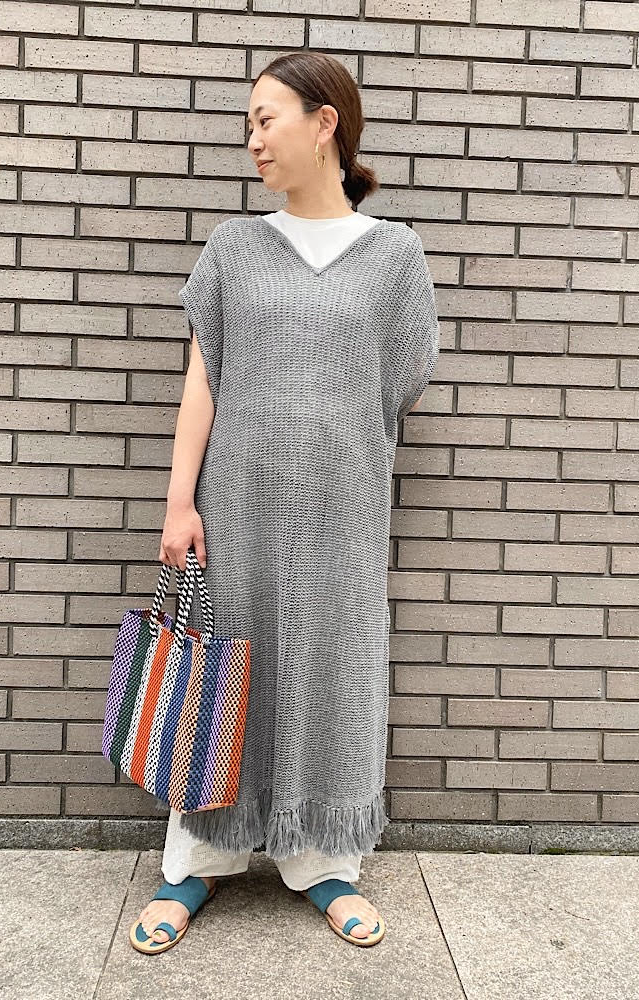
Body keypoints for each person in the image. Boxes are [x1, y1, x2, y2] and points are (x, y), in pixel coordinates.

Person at [131, 51, 439, 954]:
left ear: (324, 122)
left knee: (331, 670)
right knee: (218, 679)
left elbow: (402, 378)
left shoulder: (395, 257)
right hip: (234, 508)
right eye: (250, 125)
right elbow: (204, 381)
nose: (254, 140)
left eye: (267, 119)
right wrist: (179, 503)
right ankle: (195, 863)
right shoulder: (234, 248)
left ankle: (325, 863)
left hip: (343, 515)